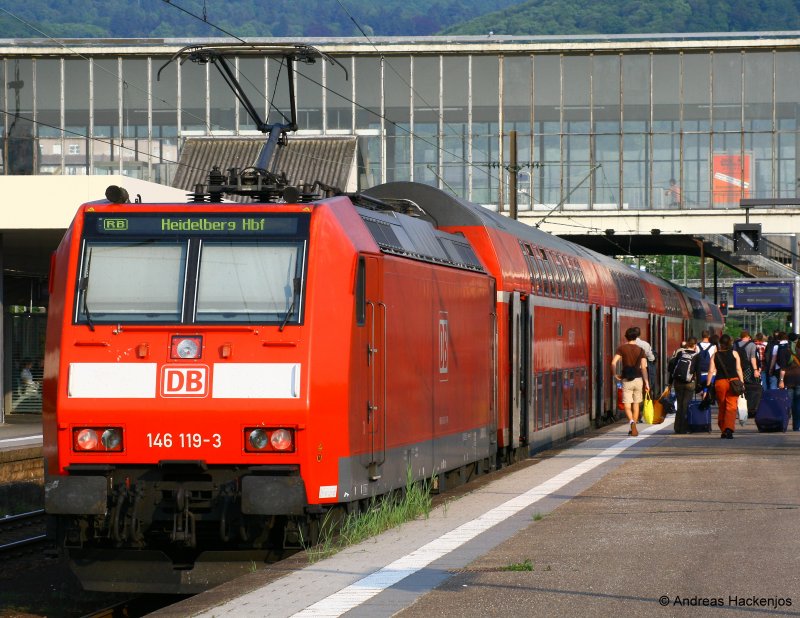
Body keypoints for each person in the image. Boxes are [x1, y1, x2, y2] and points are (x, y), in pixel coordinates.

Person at [612, 327, 650, 437]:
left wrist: (615, 374)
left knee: (627, 404)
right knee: (636, 404)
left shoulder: (622, 348)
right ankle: (634, 426)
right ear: (636, 337)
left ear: (626, 337)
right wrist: (647, 383)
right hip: (638, 379)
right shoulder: (641, 350)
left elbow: (613, 362)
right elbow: (644, 368)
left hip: (626, 379)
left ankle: (631, 422)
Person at [705, 333, 744, 439]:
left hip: (720, 382)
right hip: (734, 383)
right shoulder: (735, 353)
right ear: (730, 343)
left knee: (722, 406)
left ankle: (723, 429)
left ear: (720, 343)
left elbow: (711, 371)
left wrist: (708, 385)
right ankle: (729, 429)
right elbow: (738, 369)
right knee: (731, 406)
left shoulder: (715, 355)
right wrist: (742, 382)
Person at [669, 337, 700, 434]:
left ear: (687, 344)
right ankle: (683, 428)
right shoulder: (696, 355)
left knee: (679, 404)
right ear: (695, 345)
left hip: (678, 382)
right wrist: (699, 385)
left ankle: (677, 427)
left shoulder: (680, 353)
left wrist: (670, 382)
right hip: (689, 383)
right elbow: (698, 371)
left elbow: (673, 368)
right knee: (686, 405)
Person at [777, 338, 800, 432]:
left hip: (788, 380)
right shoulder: (798, 351)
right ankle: (796, 426)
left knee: (787, 404)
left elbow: (783, 369)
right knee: (797, 404)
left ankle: (784, 425)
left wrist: (781, 381)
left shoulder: (784, 352)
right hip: (799, 379)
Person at [633, 326, 657, 398]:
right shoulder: (645, 344)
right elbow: (651, 358)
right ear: (640, 334)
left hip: (630, 371)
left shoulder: (627, 344)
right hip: (642, 370)